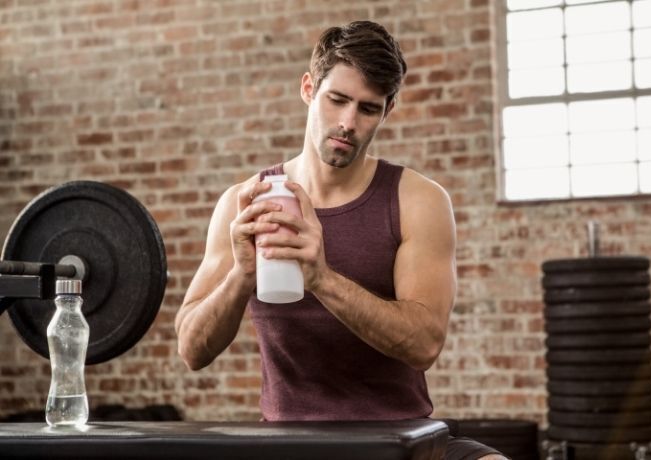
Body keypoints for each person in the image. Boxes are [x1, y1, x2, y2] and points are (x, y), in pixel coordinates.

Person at [175, 20, 508, 460]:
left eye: (368, 109)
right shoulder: (245, 202)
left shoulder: (418, 200)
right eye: (337, 100)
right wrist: (241, 275)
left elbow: (424, 344)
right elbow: (192, 351)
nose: (348, 123)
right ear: (309, 89)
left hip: (400, 438)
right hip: (291, 444)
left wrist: (321, 278)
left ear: (387, 112)